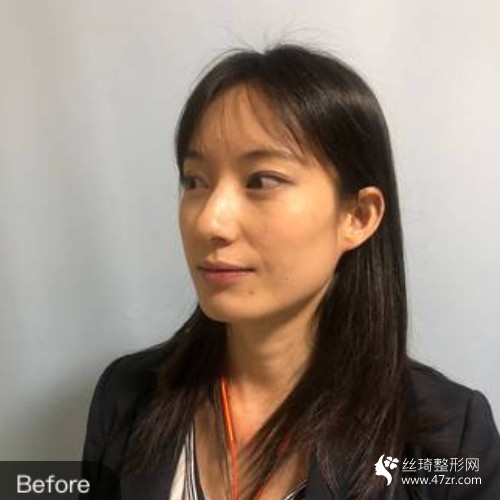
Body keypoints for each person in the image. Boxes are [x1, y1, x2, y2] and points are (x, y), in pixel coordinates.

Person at [81, 44, 500, 499]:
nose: (209, 221)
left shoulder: (447, 442)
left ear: (357, 216)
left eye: (261, 180)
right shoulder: (127, 396)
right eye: (195, 181)